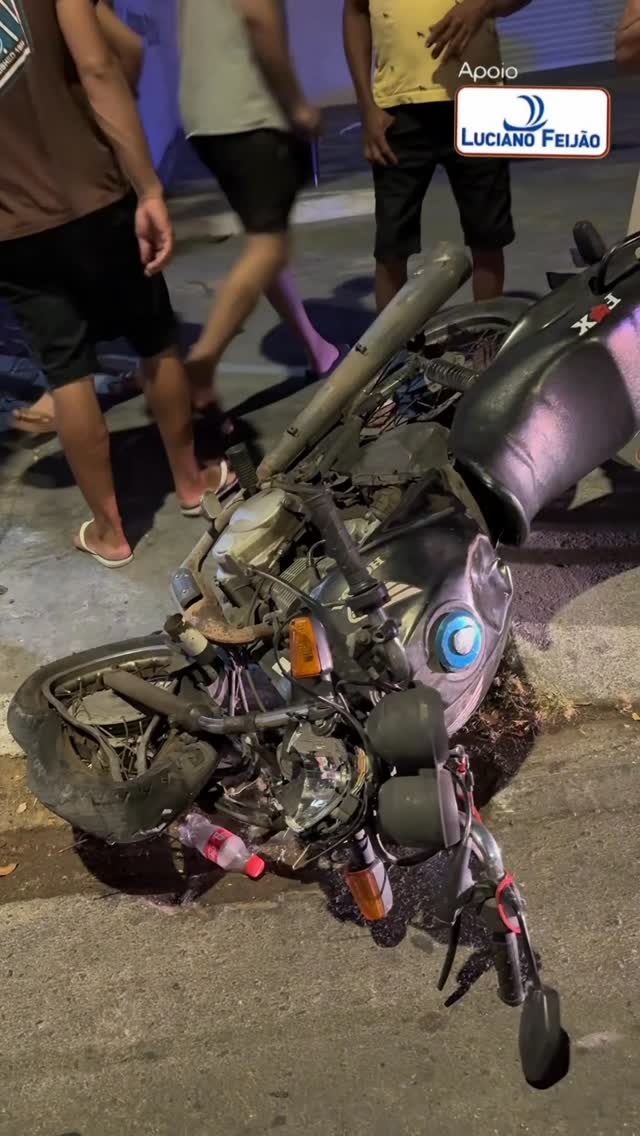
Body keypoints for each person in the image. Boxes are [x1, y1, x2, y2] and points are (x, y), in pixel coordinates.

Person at [0, 0, 233, 568]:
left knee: (67, 372)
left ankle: (110, 530)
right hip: (97, 192)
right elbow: (105, 65)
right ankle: (191, 481)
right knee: (154, 338)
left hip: (13, 224)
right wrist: (148, 187)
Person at [178, 0, 341, 410]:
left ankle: (316, 349)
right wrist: (297, 104)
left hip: (204, 117)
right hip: (247, 113)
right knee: (269, 249)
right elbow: (259, 18)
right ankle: (203, 360)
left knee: (266, 242)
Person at [8, 0, 144, 436]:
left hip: (44, 197)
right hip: (70, 186)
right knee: (141, 329)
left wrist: (110, 131)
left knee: (82, 349)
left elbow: (121, 53)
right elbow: (125, 53)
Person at [343, 0, 531, 311]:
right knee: (391, 244)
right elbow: (355, 12)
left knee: (488, 236)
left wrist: (481, 7)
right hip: (397, 107)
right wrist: (367, 107)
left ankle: (487, 343)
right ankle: (392, 353)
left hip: (479, 98)